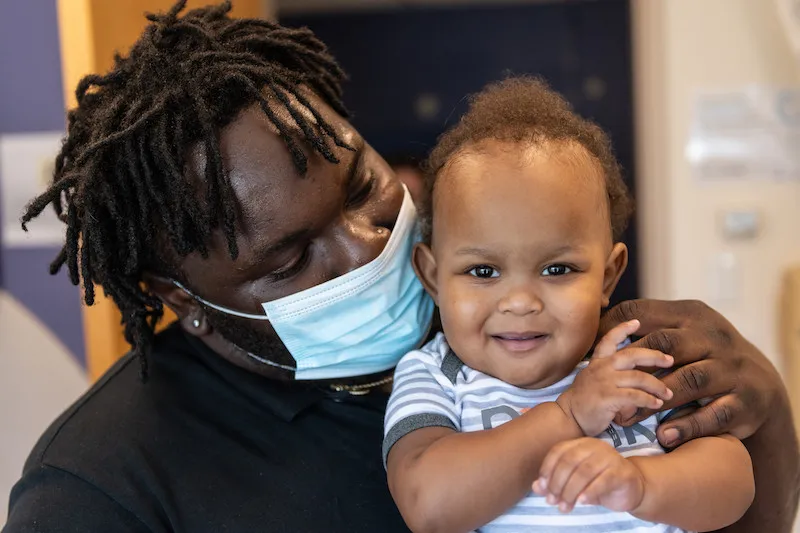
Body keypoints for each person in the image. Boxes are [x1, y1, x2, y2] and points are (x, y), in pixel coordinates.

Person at [3, 2, 797, 532]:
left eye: (363, 187)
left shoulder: (515, 318)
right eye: (291, 257)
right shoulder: (99, 487)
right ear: (186, 301)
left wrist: (765, 412)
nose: (365, 247)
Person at [383, 77, 754, 533]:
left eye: (557, 269)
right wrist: (569, 415)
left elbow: (733, 481)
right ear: (433, 277)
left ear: (609, 275)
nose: (519, 302)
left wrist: (641, 483)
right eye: (483, 272)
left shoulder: (636, 360)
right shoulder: (435, 376)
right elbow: (428, 504)